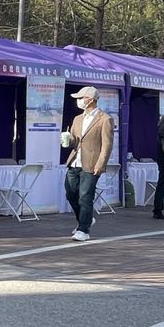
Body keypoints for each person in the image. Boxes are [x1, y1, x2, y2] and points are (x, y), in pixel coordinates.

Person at [62, 86, 113, 242]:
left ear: (90, 100)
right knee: (70, 193)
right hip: (74, 161)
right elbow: (75, 141)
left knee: (85, 196)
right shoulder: (77, 119)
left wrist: (100, 164)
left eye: (81, 98)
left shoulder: (105, 119)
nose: (78, 101)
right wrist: (68, 139)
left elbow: (107, 145)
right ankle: (87, 219)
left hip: (91, 163)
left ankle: (83, 229)